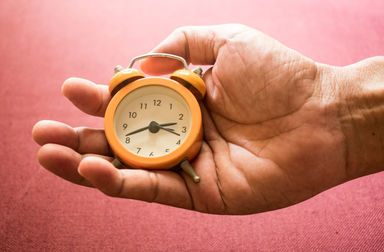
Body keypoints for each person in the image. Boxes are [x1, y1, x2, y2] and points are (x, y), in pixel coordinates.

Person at [32, 24, 384, 215]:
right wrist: (343, 109)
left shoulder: (190, 94)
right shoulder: (134, 96)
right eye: (147, 123)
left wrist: (335, 103)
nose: (153, 126)